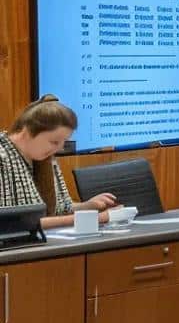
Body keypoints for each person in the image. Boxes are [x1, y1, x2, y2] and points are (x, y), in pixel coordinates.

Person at [0, 96, 119, 229]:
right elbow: (10, 223)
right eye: (54, 142)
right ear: (27, 131)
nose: (58, 148)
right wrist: (94, 218)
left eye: (63, 142)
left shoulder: (46, 159)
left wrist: (89, 206)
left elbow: (58, 208)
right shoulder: (3, 157)